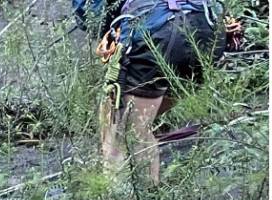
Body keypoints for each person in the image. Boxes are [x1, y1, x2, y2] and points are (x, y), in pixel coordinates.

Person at [87, 0, 238, 183]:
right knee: (138, 123)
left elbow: (92, 15)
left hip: (155, 31)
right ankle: (149, 179)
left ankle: (133, 198)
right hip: (206, 28)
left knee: (120, 135)